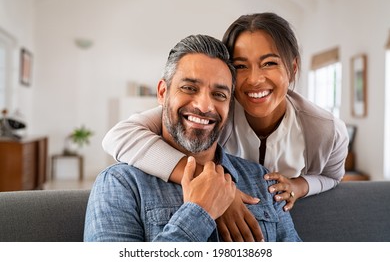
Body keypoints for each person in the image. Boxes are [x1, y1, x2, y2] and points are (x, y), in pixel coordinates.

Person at [102, 13, 348, 241]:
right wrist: (211, 193)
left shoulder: (320, 132)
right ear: (163, 92)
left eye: (269, 63)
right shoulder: (122, 184)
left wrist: (298, 186)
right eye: (241, 66)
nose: (254, 79)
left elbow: (332, 176)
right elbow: (119, 136)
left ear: (292, 68)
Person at [84, 34, 301, 242]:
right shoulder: (120, 184)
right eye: (189, 88)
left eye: (219, 95)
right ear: (162, 93)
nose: (204, 106)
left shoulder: (261, 181)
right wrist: (199, 213)